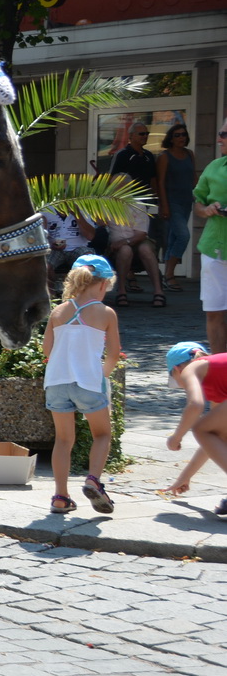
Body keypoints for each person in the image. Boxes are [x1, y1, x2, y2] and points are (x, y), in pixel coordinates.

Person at [42, 253, 120, 516]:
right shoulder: (105, 312)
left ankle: (60, 497)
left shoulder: (58, 311)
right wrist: (103, 377)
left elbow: (47, 349)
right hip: (87, 381)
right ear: (101, 284)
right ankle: (93, 480)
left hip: (56, 382)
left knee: (63, 440)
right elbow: (113, 354)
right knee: (102, 434)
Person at [164, 341, 227, 520]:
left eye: (173, 378)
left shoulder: (192, 369)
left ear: (177, 369)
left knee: (199, 428)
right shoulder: (215, 378)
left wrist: (176, 437)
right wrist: (185, 477)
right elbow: (213, 441)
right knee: (213, 432)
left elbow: (195, 405)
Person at [192, 133, 227, 353]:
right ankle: (220, 370)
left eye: (224, 135)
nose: (218, 139)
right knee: (214, 311)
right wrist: (207, 210)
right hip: (215, 249)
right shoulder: (214, 166)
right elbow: (198, 204)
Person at [155, 123, 196, 292]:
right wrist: (163, 205)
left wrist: (201, 196)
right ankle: (170, 274)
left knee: (173, 238)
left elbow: (194, 178)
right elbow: (160, 182)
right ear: (171, 139)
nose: (181, 138)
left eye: (183, 135)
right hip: (171, 202)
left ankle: (165, 275)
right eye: (177, 135)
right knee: (183, 236)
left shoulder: (190, 154)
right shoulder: (165, 156)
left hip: (187, 201)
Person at [105, 200, 165, 307]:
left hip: (138, 241)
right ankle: (121, 291)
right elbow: (99, 225)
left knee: (145, 248)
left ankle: (158, 291)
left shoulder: (137, 205)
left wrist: (125, 242)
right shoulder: (103, 204)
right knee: (125, 250)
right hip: (114, 246)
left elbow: (141, 234)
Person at [43, 208, 97, 293]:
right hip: (54, 249)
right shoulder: (46, 211)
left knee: (88, 263)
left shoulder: (82, 210)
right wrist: (51, 244)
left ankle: (83, 296)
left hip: (78, 247)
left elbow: (90, 236)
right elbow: (41, 238)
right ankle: (51, 297)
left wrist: (77, 213)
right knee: (44, 266)